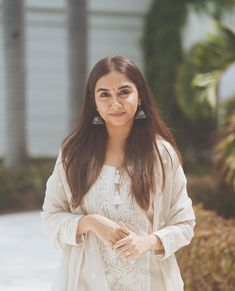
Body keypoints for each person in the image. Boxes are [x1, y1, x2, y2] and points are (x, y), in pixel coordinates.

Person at [40, 55, 196, 291]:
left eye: (124, 92)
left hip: (151, 282)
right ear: (93, 101)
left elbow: (184, 223)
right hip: (86, 283)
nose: (115, 103)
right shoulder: (74, 153)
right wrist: (91, 222)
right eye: (104, 94)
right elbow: (51, 217)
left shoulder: (161, 155)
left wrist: (147, 242)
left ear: (140, 95)